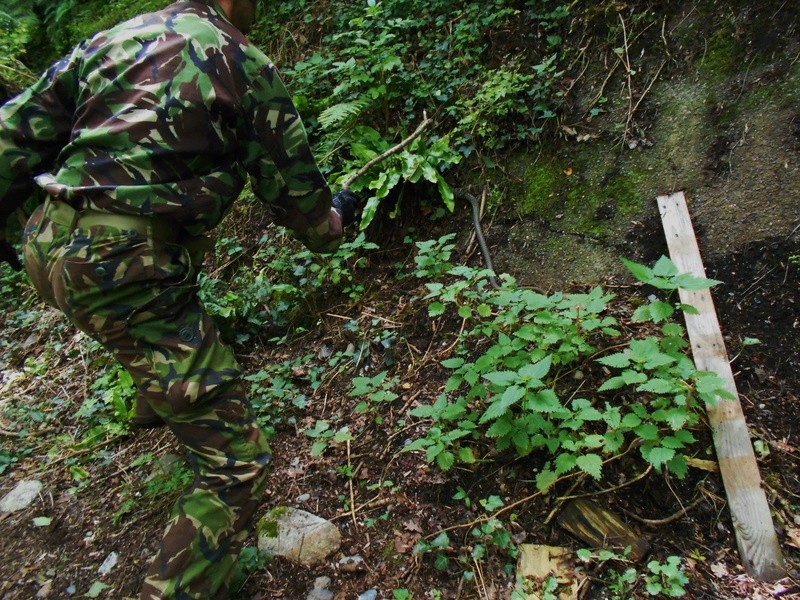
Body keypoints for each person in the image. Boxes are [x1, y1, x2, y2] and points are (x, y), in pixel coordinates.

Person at [0, 0, 357, 597]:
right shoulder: (243, 63)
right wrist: (336, 218)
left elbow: (12, 134)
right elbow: (304, 210)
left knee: (155, 308)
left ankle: (157, 400)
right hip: (126, 268)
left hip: (51, 246)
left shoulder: (112, 37)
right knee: (236, 466)